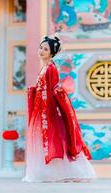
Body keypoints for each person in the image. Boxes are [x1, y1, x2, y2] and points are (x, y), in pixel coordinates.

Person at [22, 34, 96, 182]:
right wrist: (34, 91)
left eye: (45, 49)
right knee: (46, 141)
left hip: (47, 110)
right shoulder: (44, 68)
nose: (41, 51)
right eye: (41, 48)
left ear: (52, 53)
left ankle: (68, 172)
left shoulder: (50, 69)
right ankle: (47, 173)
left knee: (54, 141)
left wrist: (46, 108)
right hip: (41, 108)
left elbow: (52, 91)